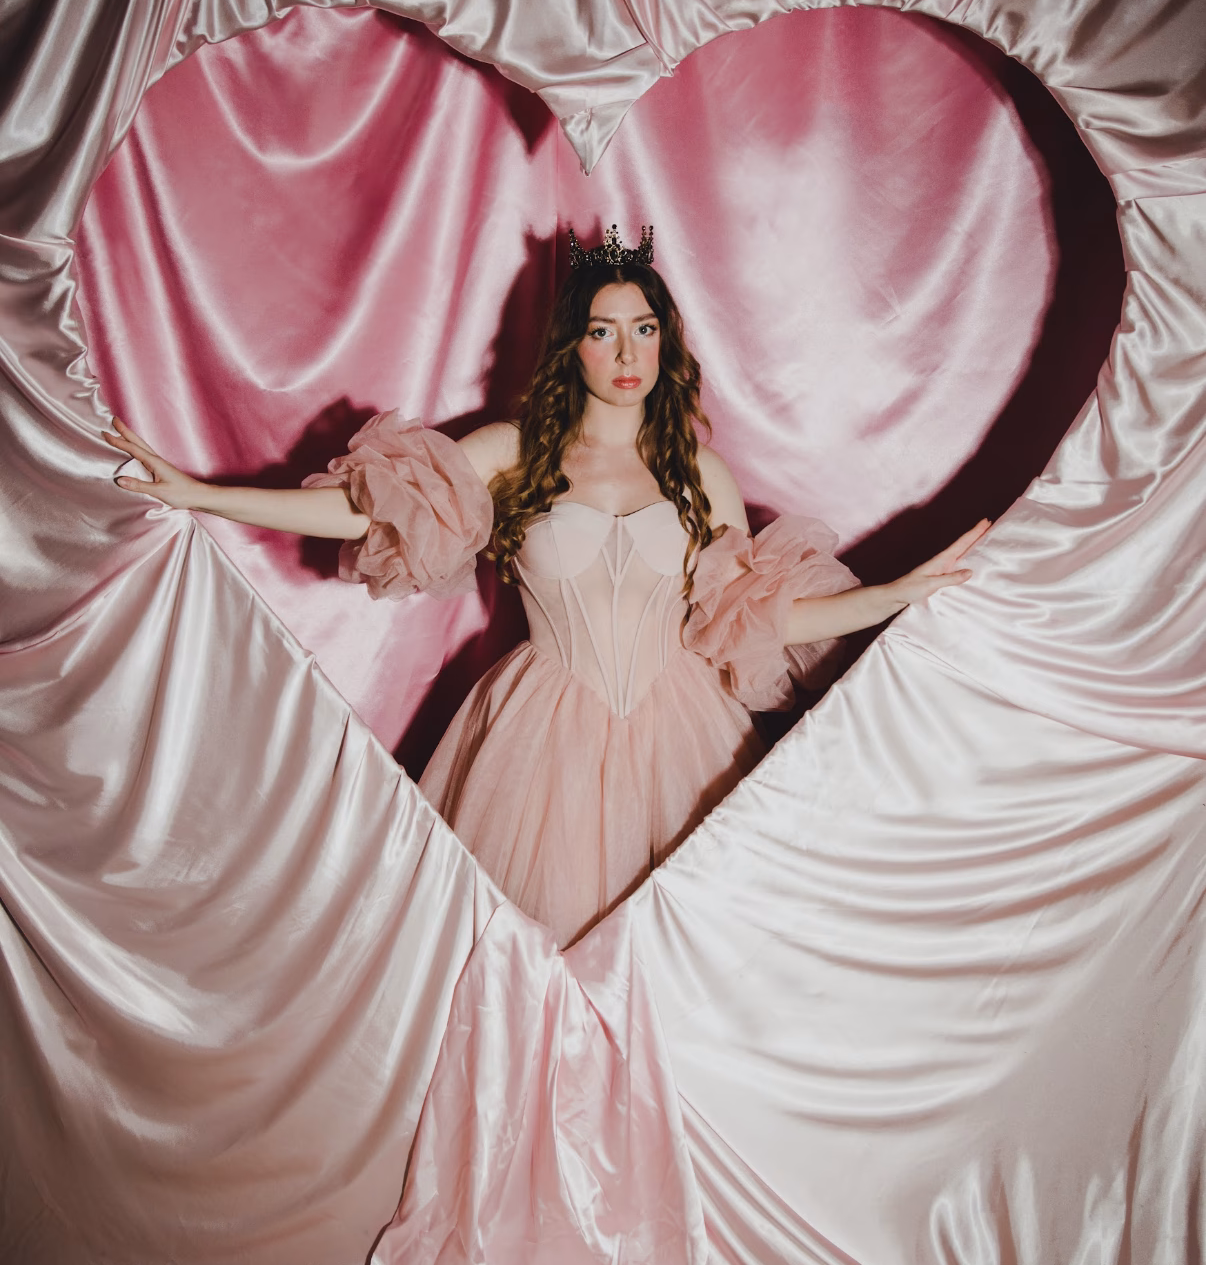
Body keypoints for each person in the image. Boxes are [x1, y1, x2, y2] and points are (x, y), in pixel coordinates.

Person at [104, 225, 988, 947]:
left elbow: (755, 618)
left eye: (644, 328)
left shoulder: (698, 473)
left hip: (689, 736)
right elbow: (364, 510)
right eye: (603, 331)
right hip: (539, 741)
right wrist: (201, 492)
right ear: (574, 346)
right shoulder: (514, 452)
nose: (627, 350)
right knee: (530, 971)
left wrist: (893, 595)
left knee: (690, 959)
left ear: (667, 340)